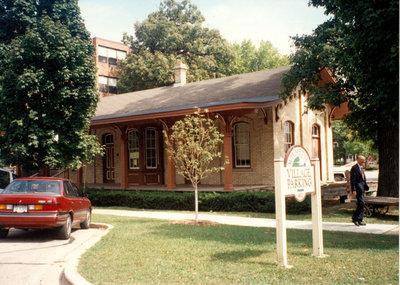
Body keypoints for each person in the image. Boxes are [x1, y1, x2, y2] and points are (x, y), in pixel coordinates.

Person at [351, 155, 369, 226]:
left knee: (362, 204)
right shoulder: (354, 168)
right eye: (362, 160)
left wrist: (366, 186)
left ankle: (359, 219)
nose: (363, 162)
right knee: (361, 203)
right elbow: (353, 181)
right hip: (357, 189)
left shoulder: (361, 168)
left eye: (364, 160)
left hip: (362, 189)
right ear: (358, 160)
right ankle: (355, 218)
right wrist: (354, 190)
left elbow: (363, 179)